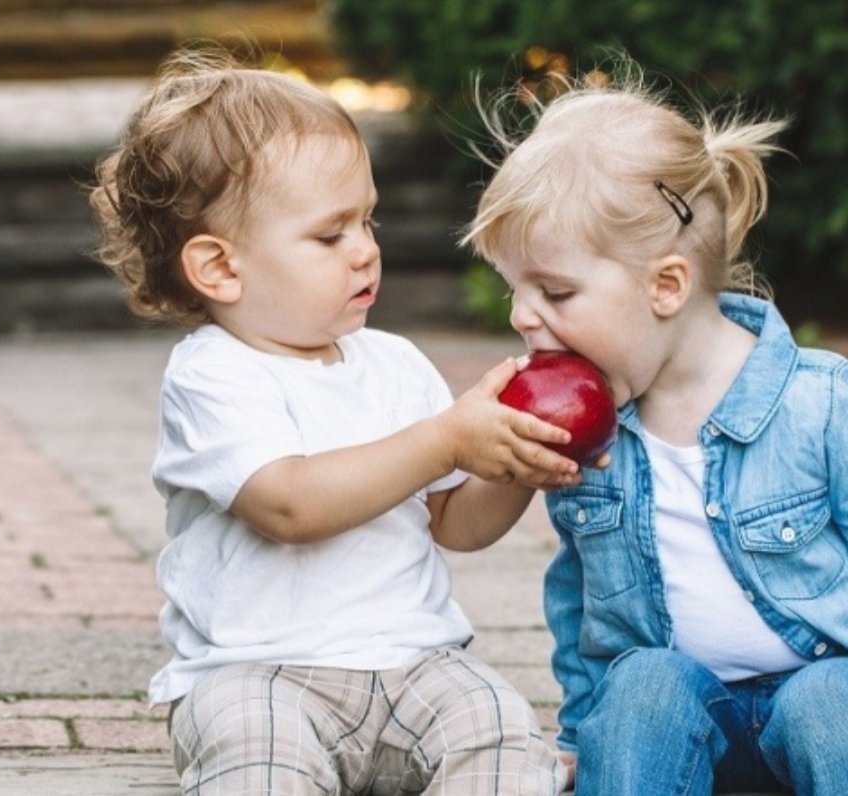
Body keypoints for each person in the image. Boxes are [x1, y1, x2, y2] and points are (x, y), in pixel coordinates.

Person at [463, 62, 848, 795]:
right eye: (514, 290)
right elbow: (583, 605)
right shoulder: (593, 432)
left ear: (667, 285)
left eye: (554, 291)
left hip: (824, 699)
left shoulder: (819, 400)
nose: (522, 316)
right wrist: (586, 736)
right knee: (641, 686)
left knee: (834, 699)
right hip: (684, 715)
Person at [89, 48, 574, 795]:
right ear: (220, 268)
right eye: (330, 235)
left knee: (505, 736)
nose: (367, 250)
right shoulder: (214, 374)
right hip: (258, 673)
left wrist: (512, 463)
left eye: (367, 221)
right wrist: (445, 437)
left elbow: (454, 524)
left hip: (418, 664)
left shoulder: (393, 363)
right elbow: (289, 504)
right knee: (256, 757)